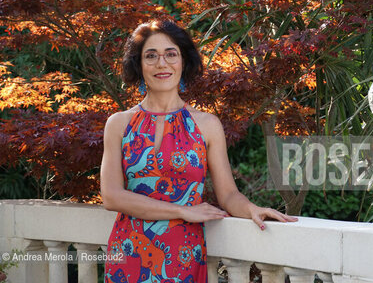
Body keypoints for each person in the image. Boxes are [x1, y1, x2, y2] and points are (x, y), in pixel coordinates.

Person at [100, 19, 298, 283]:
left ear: (183, 61)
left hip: (183, 254)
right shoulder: (119, 124)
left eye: (171, 54)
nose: (162, 63)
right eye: (151, 56)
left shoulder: (206, 125)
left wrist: (252, 209)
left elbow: (227, 193)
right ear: (138, 65)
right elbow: (111, 196)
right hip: (128, 254)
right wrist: (182, 211)